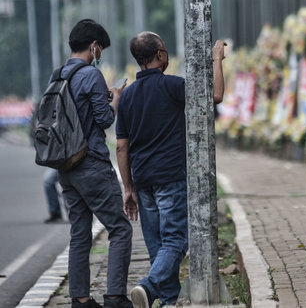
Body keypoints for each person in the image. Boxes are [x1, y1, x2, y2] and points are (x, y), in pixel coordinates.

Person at [116, 32, 225, 307]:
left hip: (142, 181)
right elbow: (216, 95)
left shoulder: (126, 96)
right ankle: (149, 287)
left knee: (158, 247)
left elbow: (121, 147)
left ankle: (168, 300)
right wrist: (217, 60)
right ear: (160, 55)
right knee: (175, 240)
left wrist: (128, 188)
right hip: (171, 177)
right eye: (165, 48)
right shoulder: (172, 86)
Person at [57, 19, 134, 308]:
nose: (100, 54)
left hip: (66, 166)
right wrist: (115, 98)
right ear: (94, 46)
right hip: (91, 164)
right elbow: (104, 120)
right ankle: (115, 297)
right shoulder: (90, 74)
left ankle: (81, 299)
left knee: (79, 232)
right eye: (100, 49)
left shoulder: (59, 74)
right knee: (120, 228)